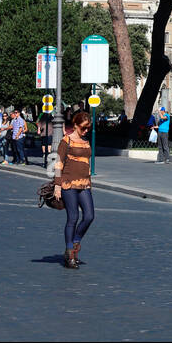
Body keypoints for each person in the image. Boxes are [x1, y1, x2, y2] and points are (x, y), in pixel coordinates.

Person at [53, 110, 95, 269]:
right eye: (83, 128)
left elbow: (87, 164)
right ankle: (70, 253)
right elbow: (58, 164)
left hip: (84, 184)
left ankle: (75, 242)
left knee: (89, 216)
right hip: (68, 183)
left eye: (88, 128)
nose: (86, 131)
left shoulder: (86, 142)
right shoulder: (66, 141)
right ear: (76, 125)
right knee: (73, 217)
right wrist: (57, 185)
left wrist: (89, 183)